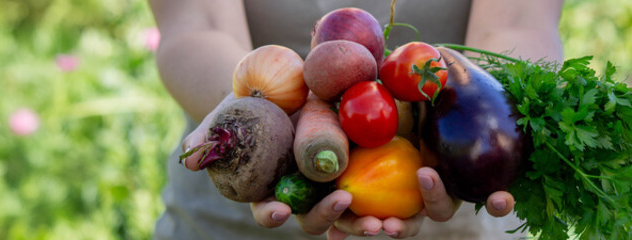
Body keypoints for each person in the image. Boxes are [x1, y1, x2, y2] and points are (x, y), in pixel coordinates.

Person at [148, 0, 564, 239]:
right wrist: (247, 124)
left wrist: (478, 129)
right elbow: (197, 23)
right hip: (237, 216)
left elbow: (517, 21)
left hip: (451, 192)